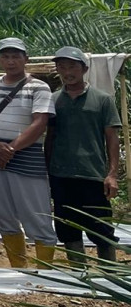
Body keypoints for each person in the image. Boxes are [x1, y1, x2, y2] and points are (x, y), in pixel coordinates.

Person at [0, 37, 56, 267]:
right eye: (6, 56)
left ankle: (46, 271)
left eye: (15, 56)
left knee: (37, 215)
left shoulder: (39, 87)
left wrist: (10, 148)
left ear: (26, 59)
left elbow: (39, 122)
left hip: (27, 157)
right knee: (3, 215)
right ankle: (19, 270)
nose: (10, 61)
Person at [46, 46, 121, 266]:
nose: (67, 72)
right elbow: (49, 137)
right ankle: (80, 275)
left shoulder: (102, 99)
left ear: (84, 69)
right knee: (67, 227)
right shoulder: (53, 100)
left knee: (101, 227)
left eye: (72, 66)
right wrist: (47, 169)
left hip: (92, 174)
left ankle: (110, 275)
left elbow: (112, 138)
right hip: (61, 174)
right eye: (62, 67)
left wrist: (112, 174)